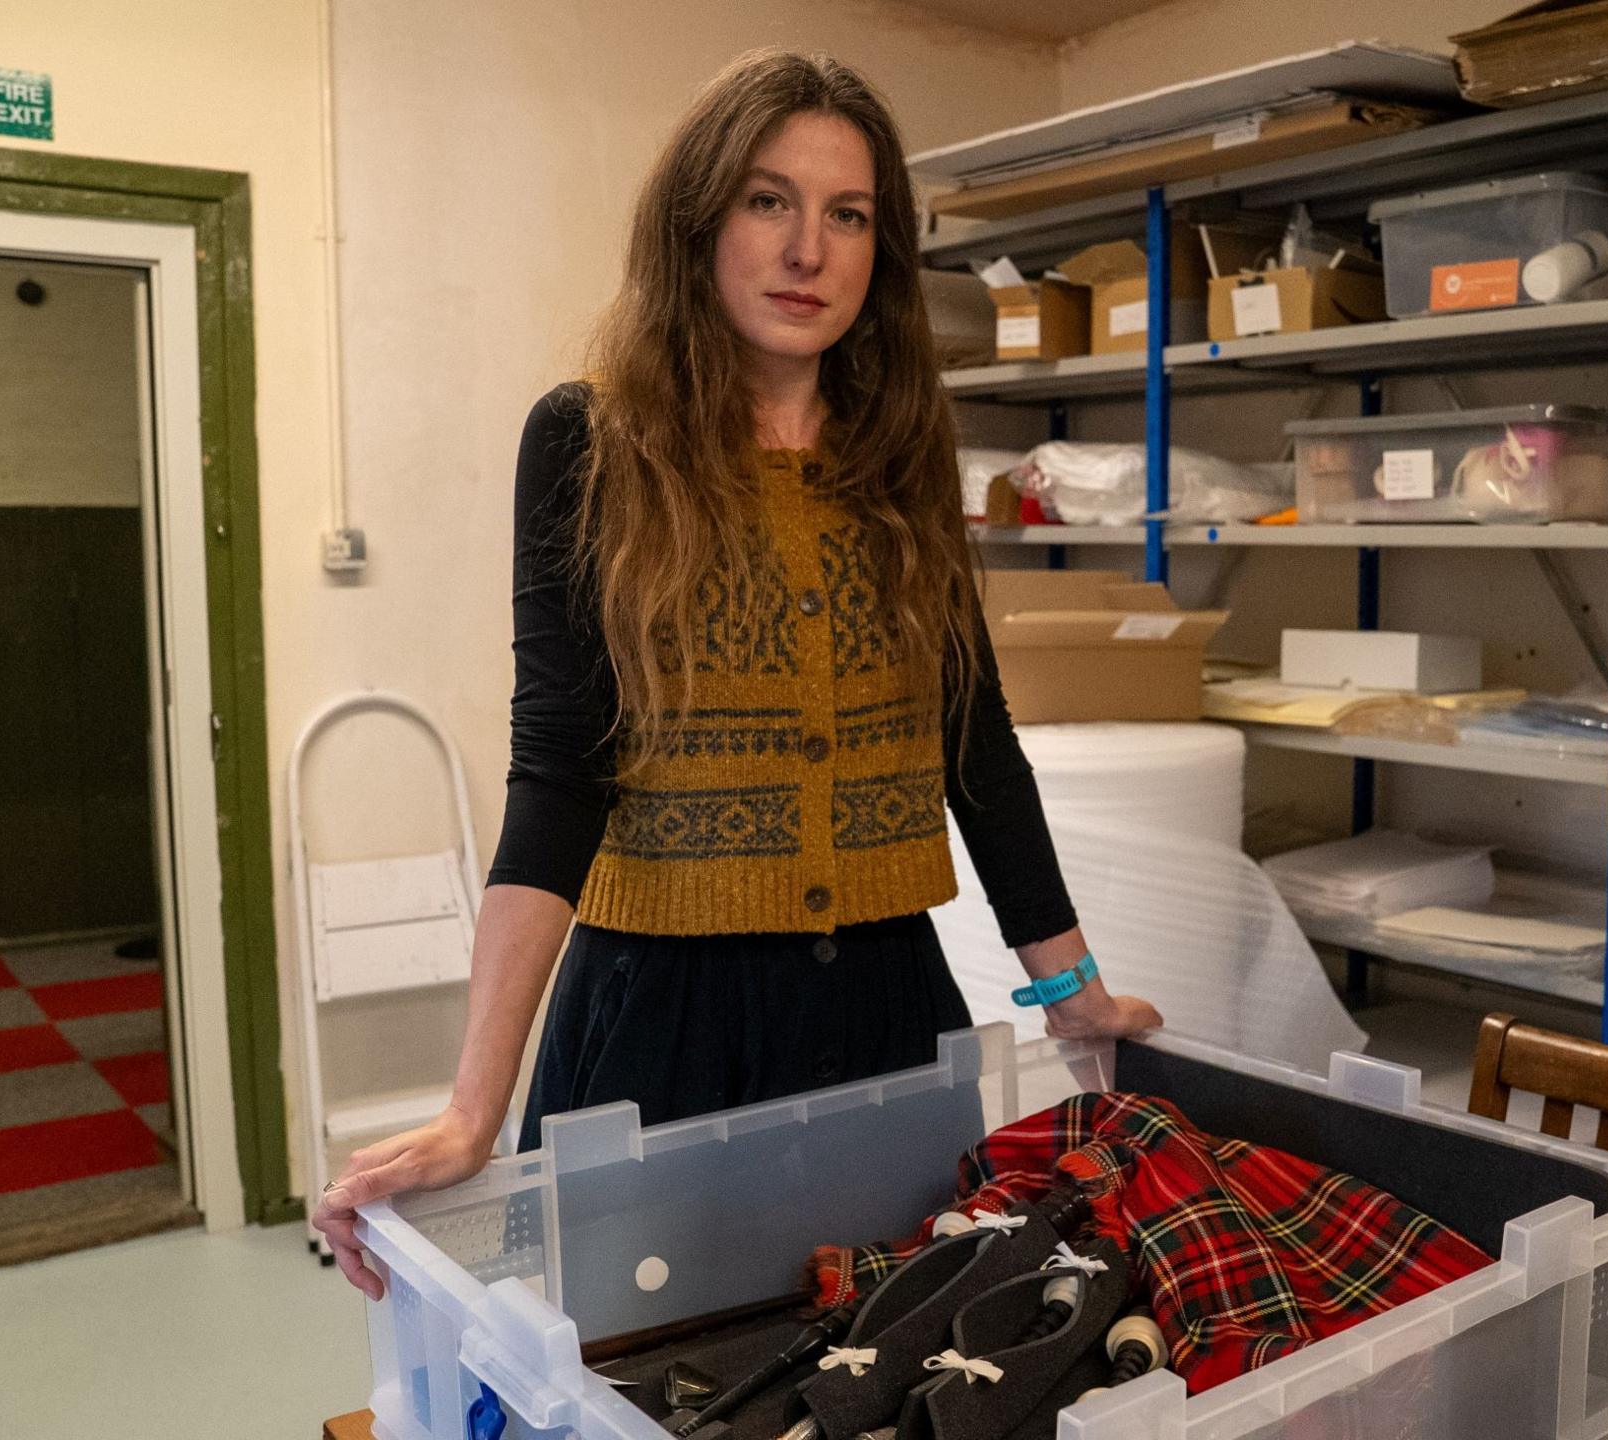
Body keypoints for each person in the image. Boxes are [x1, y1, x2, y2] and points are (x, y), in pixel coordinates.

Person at [312, 49, 1162, 1300]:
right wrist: (468, 1113)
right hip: (666, 1016)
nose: (806, 248)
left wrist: (1070, 993)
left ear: (882, 251)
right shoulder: (590, 442)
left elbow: (975, 746)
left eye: (848, 213)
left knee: (898, 1359)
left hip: (886, 1007)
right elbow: (558, 770)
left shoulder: (904, 459)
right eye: (769, 201)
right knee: (648, 1374)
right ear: (697, 221)